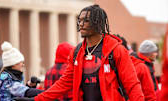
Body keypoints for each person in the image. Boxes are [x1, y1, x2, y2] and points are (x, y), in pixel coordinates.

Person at [15, 4, 144, 101]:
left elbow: (132, 85)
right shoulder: (76, 52)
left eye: (86, 21)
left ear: (98, 23)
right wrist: (36, 99)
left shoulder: (116, 50)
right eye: (80, 20)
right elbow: (63, 84)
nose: (81, 24)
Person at [116, 35, 156, 101]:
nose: (156, 54)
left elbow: (149, 95)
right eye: (154, 52)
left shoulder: (140, 67)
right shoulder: (107, 68)